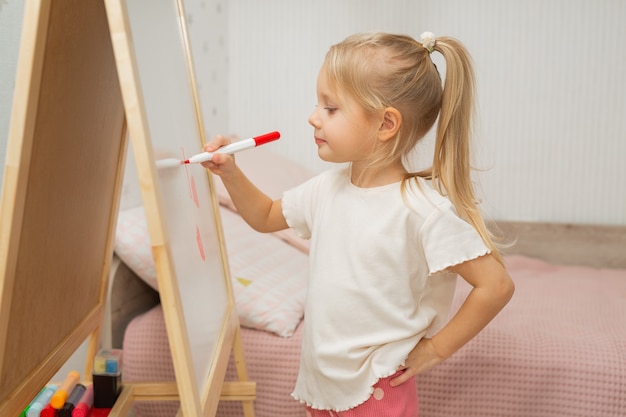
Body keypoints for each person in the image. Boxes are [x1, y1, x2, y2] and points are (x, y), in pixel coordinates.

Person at [203, 31, 515, 417]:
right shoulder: (326, 189)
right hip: (325, 387)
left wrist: (436, 349)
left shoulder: (421, 211)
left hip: (377, 389)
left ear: (386, 124)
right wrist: (230, 173)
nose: (313, 117)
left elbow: (496, 285)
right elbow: (265, 216)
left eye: (331, 108)